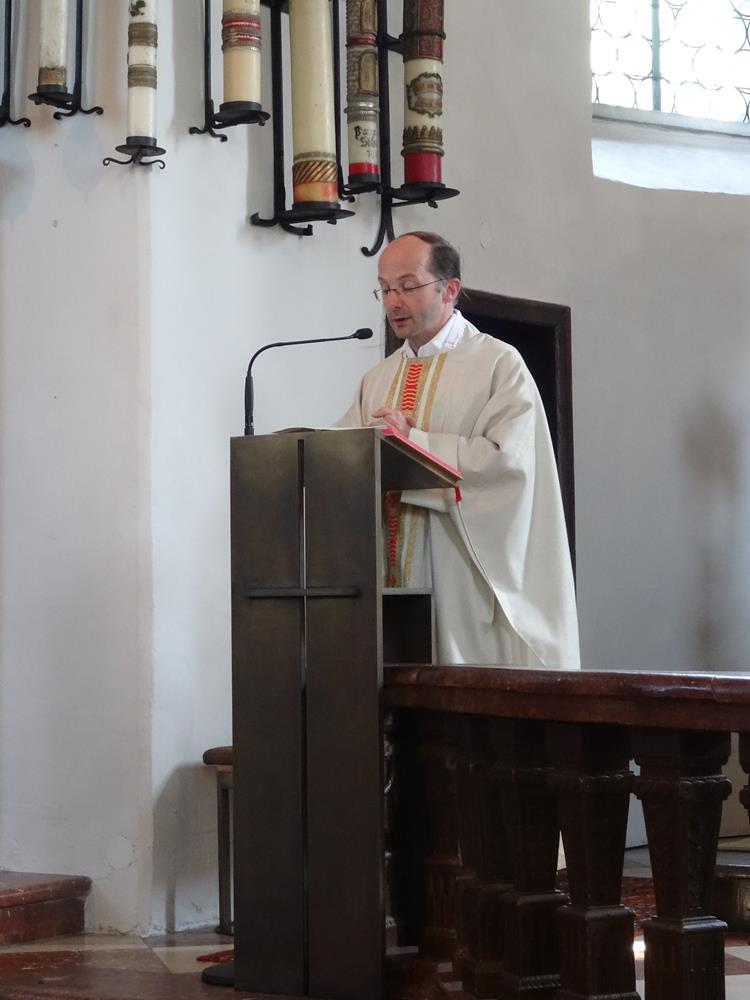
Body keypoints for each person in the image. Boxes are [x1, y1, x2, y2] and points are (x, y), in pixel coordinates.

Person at [337, 231, 580, 669]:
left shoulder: (498, 365)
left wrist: (415, 445)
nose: (393, 302)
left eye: (407, 287)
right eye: (385, 289)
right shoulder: (377, 379)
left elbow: (510, 465)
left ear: (449, 289)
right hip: (385, 584)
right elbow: (343, 459)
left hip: (459, 579)